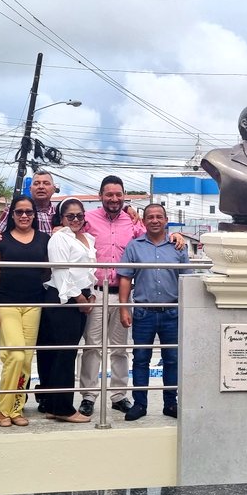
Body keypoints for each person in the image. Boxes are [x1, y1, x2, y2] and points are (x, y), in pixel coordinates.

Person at [117, 204, 190, 421]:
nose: (155, 220)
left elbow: (187, 279)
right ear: (144, 221)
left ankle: (170, 404)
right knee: (140, 359)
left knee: (172, 359)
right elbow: (125, 278)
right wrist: (123, 308)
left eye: (159, 216)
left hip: (172, 313)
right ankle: (140, 404)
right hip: (143, 313)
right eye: (150, 217)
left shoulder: (178, 246)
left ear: (166, 220)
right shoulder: (134, 247)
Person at [78, 175, 142, 416]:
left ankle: (118, 395)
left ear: (124, 196)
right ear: (100, 196)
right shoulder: (88, 219)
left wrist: (175, 236)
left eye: (118, 194)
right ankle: (88, 396)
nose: (114, 199)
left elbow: (152, 238)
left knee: (119, 348)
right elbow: (69, 233)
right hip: (96, 293)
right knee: (92, 346)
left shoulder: (132, 221)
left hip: (122, 295)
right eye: (109, 194)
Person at [0, 195, 50, 428]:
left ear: (34, 215)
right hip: (7, 303)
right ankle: (3, 409)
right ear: (12, 215)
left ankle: (16, 408)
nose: (24, 216)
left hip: (34, 304)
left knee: (26, 360)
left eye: (29, 212)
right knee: (15, 355)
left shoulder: (44, 239)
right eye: (19, 212)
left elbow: (49, 270)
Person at [39, 199, 96, 422]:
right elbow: (61, 272)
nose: (75, 219)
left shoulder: (87, 238)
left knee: (67, 352)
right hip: (63, 299)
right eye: (70, 216)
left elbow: (88, 271)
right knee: (63, 353)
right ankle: (63, 408)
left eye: (79, 215)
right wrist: (79, 298)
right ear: (61, 218)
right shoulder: (59, 238)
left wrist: (90, 294)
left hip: (80, 297)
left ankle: (54, 405)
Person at [0, 170, 58, 235]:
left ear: (54, 189)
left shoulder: (59, 213)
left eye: (46, 183)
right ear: (30, 189)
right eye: (36, 183)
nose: (41, 187)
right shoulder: (14, 210)